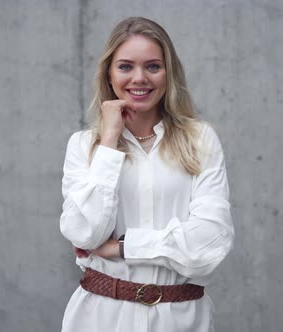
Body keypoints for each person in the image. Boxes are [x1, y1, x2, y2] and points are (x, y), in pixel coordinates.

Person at [59, 17, 234, 332]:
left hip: (181, 320)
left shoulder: (200, 140)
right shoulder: (84, 146)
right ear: (109, 74)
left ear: (169, 73)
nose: (139, 78)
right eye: (125, 66)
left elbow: (210, 244)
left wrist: (125, 246)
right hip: (100, 318)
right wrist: (109, 144)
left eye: (153, 66)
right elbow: (85, 233)